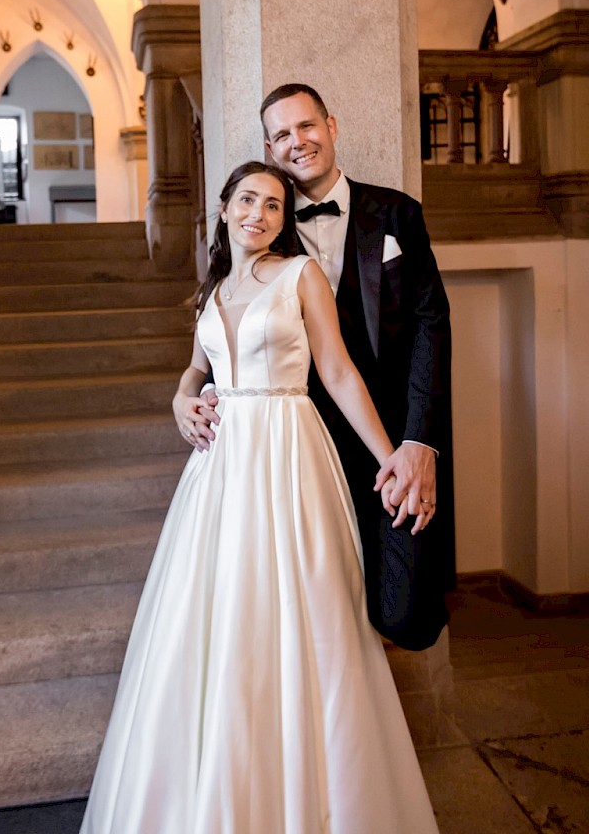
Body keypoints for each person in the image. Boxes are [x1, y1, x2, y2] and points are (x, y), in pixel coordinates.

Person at [79, 161, 459, 834]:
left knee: (303, 645)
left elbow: (339, 375)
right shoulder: (212, 288)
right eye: (246, 200)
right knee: (211, 645)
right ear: (223, 208)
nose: (258, 212)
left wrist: (393, 451)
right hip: (218, 479)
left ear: (285, 218)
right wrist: (182, 399)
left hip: (289, 464)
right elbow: (197, 371)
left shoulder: (302, 275)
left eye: (272, 203)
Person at [174, 84, 454, 651]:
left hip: (387, 437)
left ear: (331, 124)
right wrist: (185, 394)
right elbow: (217, 347)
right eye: (281, 135)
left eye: (306, 126)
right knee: (293, 604)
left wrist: (415, 443)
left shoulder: (397, 214)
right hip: (297, 446)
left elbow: (432, 329)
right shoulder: (259, 231)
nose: (297, 142)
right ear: (268, 149)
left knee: (406, 615)